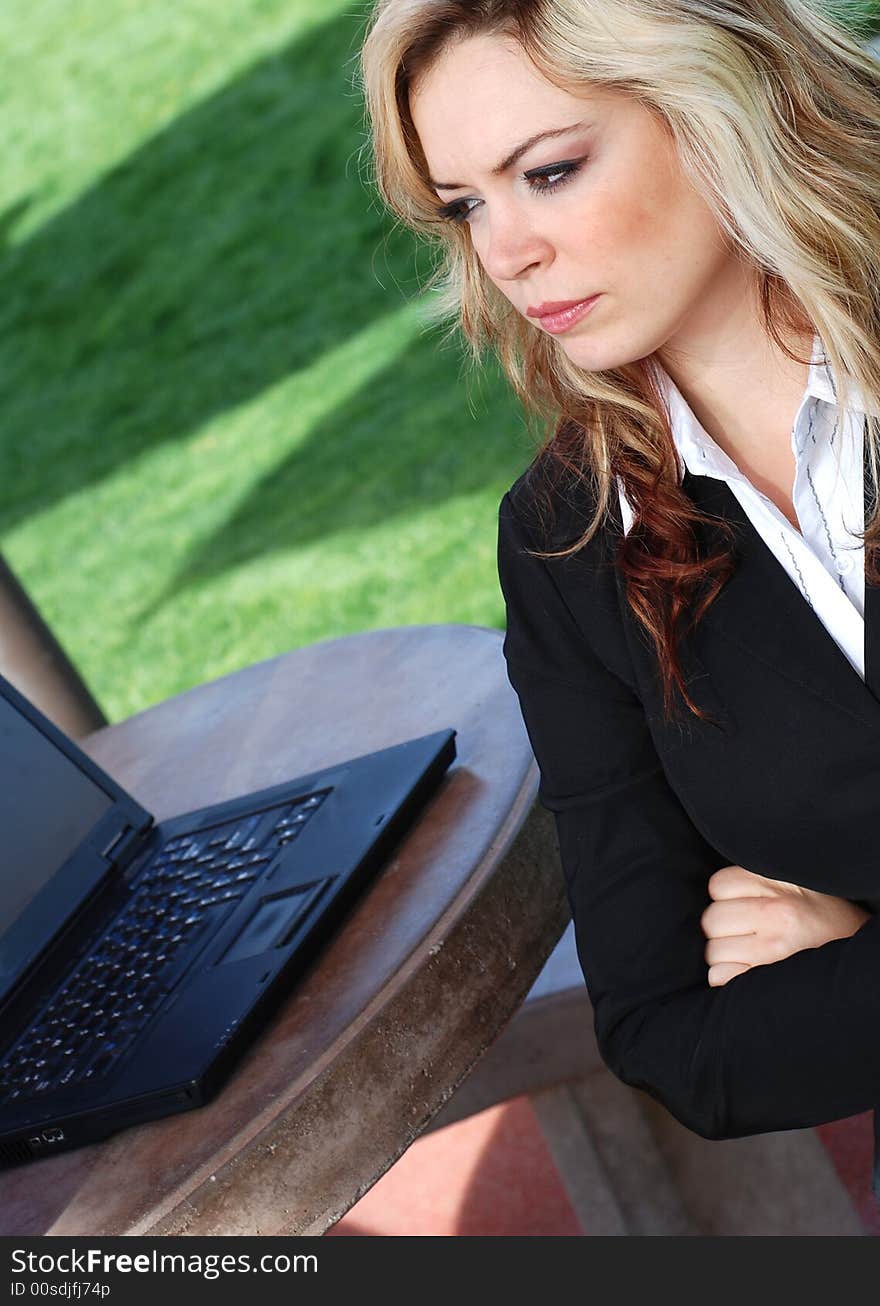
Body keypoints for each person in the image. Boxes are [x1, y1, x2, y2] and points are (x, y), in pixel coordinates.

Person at [358, 0, 880, 1200]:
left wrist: (848, 963)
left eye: (547, 171)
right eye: (467, 204)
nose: (506, 253)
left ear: (720, 110)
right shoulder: (567, 541)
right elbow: (667, 1036)